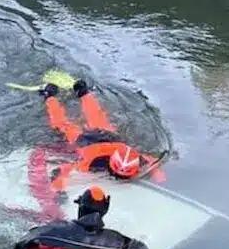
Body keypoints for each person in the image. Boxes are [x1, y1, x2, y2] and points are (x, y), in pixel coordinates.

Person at [38, 79, 167, 191]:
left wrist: (159, 175)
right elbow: (65, 169)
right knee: (62, 125)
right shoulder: (92, 164)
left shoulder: (135, 158)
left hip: (109, 137)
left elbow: (151, 161)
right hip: (86, 142)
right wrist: (57, 187)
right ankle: (50, 96)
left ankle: (83, 92)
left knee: (96, 116)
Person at [14, 185, 148, 249]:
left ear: (81, 207)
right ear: (105, 210)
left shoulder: (51, 230)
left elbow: (20, 246)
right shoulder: (114, 240)